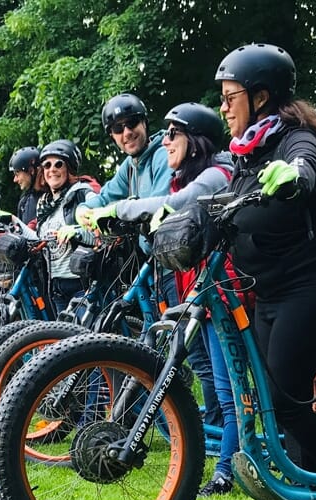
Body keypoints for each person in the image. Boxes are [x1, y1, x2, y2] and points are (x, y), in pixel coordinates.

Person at [215, 43, 316, 500]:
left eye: (230, 97)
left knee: (285, 400)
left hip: (311, 288)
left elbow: (305, 168)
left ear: (260, 96)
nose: (223, 107)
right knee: (278, 399)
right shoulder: (247, 152)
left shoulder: (297, 139)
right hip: (268, 290)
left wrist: (293, 176)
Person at [76, 97, 223, 450]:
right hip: (162, 263)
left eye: (132, 124)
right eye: (118, 129)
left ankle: (213, 425)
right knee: (182, 345)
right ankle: (202, 422)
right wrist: (86, 210)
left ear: (144, 123)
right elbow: (101, 197)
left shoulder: (160, 154)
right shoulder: (130, 166)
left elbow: (164, 201)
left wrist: (115, 209)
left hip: (178, 262)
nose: (127, 133)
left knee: (197, 350)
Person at [34, 139, 99, 316]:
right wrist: (14, 224)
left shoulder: (83, 193)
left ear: (69, 167)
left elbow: (101, 232)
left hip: (81, 282)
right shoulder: (45, 203)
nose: (51, 169)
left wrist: (76, 232)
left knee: (85, 339)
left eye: (58, 164)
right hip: (55, 285)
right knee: (63, 341)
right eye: (46, 165)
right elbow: (39, 240)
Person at [8, 146, 46, 229]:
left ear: (31, 171)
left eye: (17, 174)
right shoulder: (23, 203)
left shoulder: (54, 196)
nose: (15, 179)